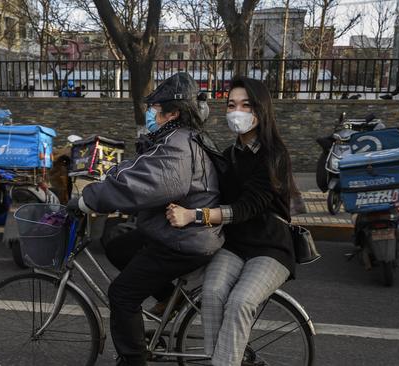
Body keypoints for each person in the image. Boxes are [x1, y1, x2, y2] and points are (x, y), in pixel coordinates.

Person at [69, 72, 224, 366]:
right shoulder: (177, 138)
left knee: (122, 294)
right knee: (117, 245)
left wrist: (87, 200)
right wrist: (105, 184)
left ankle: (133, 360)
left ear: (173, 113)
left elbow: (142, 185)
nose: (151, 114)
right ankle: (169, 299)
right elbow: (139, 169)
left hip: (184, 239)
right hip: (176, 231)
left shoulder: (177, 146)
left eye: (155, 110)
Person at [166, 76, 296, 366]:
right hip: (235, 244)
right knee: (211, 295)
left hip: (270, 247)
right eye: (231, 105)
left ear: (261, 110)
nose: (237, 111)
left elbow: (245, 208)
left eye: (246, 105)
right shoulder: (229, 154)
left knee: (240, 302)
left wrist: (193, 216)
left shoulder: (275, 155)